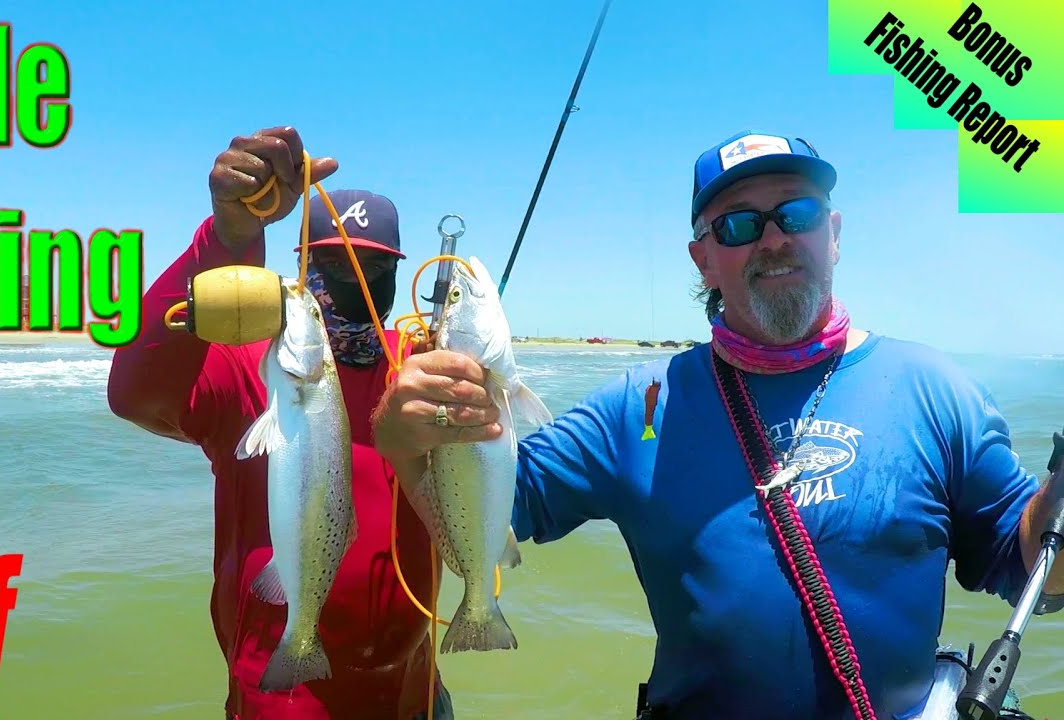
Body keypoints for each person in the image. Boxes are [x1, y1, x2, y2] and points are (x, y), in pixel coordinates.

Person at [370, 130, 1064, 719]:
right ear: (703, 258)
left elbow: (1034, 568)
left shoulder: (936, 389)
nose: (774, 238)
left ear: (833, 234)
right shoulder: (639, 406)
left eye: (796, 212)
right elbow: (493, 511)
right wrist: (405, 445)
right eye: (738, 224)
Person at [107, 126, 456, 720]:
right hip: (284, 698)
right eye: (333, 264)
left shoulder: (420, 370)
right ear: (301, 269)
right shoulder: (249, 370)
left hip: (414, 690)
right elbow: (134, 396)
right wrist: (227, 240)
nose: (355, 281)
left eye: (375, 268)